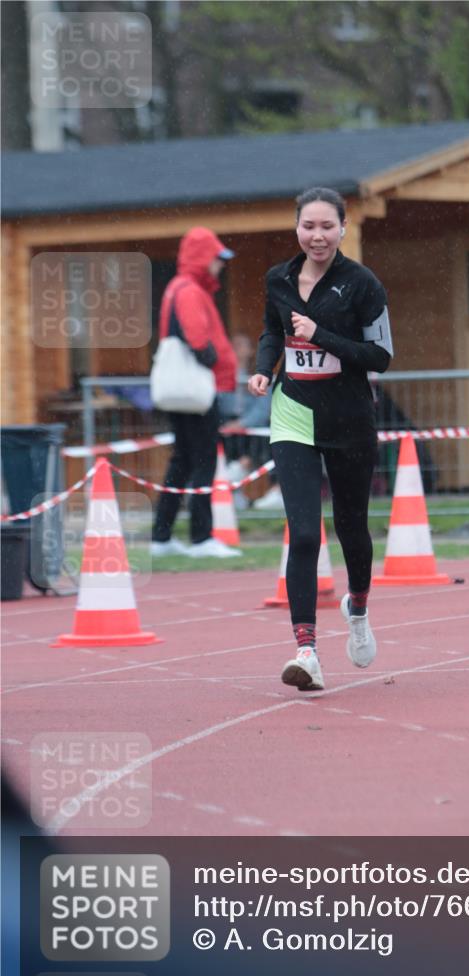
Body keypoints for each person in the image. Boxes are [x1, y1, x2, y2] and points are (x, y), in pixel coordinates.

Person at [248, 187, 393, 691]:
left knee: (353, 529)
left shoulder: (362, 284)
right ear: (296, 228)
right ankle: (306, 651)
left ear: (343, 228)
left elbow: (381, 357)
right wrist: (265, 368)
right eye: (308, 226)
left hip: (349, 419)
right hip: (293, 415)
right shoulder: (278, 279)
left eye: (327, 226)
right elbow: (272, 329)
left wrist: (321, 336)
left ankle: (357, 609)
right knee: (305, 533)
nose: (317, 236)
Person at [151, 226, 241, 559]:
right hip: (197, 390)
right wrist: (214, 361)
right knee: (203, 460)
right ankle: (202, 538)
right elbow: (198, 339)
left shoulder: (179, 287)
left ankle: (161, 536)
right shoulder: (189, 290)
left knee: (182, 461)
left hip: (183, 390)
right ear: (203, 258)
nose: (220, 265)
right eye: (216, 258)